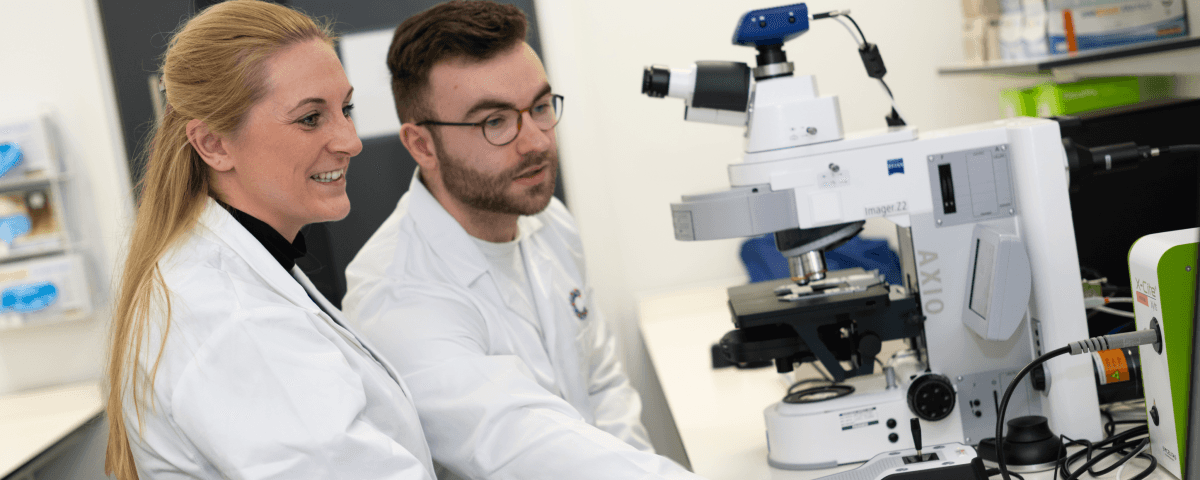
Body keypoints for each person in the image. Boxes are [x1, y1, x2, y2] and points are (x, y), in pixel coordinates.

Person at [342, 2, 705, 479]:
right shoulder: (398, 297)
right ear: (421, 145)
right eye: (495, 121)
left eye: (538, 107)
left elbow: (602, 386)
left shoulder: (548, 221)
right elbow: (521, 448)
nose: (535, 140)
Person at [103, 1, 436, 478]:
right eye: (310, 118)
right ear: (214, 144)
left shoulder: (240, 266)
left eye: (345, 109)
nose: (350, 140)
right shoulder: (231, 314)